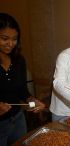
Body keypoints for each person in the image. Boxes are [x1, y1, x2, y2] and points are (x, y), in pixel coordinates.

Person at [0, 13, 45, 146]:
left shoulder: (19, 60)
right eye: (4, 38)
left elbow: (22, 92)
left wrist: (33, 101)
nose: (10, 44)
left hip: (18, 120)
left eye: (14, 39)